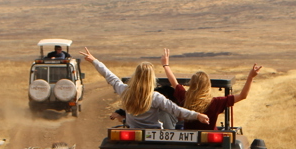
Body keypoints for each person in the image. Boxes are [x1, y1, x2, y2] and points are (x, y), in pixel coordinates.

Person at [81, 48, 209, 129]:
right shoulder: (155, 97)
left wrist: (94, 61)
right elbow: (177, 110)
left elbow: (110, 76)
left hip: (133, 132)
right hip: (154, 136)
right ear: (151, 79)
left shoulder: (125, 91)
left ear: (135, 76)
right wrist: (197, 115)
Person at [160, 48, 261, 130]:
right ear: (208, 85)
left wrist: (166, 65)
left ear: (192, 84)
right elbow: (243, 96)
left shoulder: (185, 98)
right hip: (210, 145)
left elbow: (174, 83)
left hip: (189, 145)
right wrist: (250, 77)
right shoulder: (216, 102)